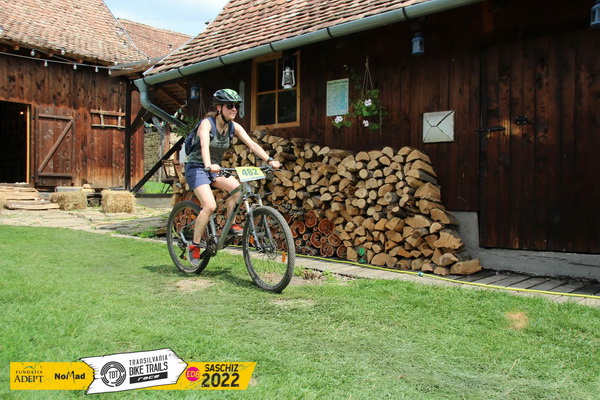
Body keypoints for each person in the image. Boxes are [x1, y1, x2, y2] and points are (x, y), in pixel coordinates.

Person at [184, 89, 281, 266]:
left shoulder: (233, 127)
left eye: (236, 106)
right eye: (230, 106)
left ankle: (230, 226)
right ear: (219, 108)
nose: (234, 109)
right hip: (197, 167)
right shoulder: (207, 124)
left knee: (237, 189)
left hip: (214, 168)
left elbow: (252, 144)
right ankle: (194, 245)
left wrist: (269, 160)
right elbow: (204, 146)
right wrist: (209, 164)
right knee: (210, 206)